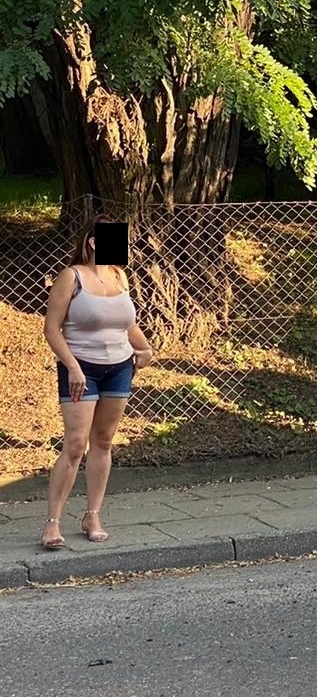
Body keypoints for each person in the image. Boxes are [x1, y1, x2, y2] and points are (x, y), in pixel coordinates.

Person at [39, 216, 155, 549]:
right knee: (76, 444)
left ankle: (92, 514)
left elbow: (126, 324)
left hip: (118, 367)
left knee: (103, 441)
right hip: (81, 368)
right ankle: (53, 522)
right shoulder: (70, 277)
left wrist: (144, 347)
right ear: (93, 242)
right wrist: (72, 367)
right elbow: (52, 329)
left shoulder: (120, 277)